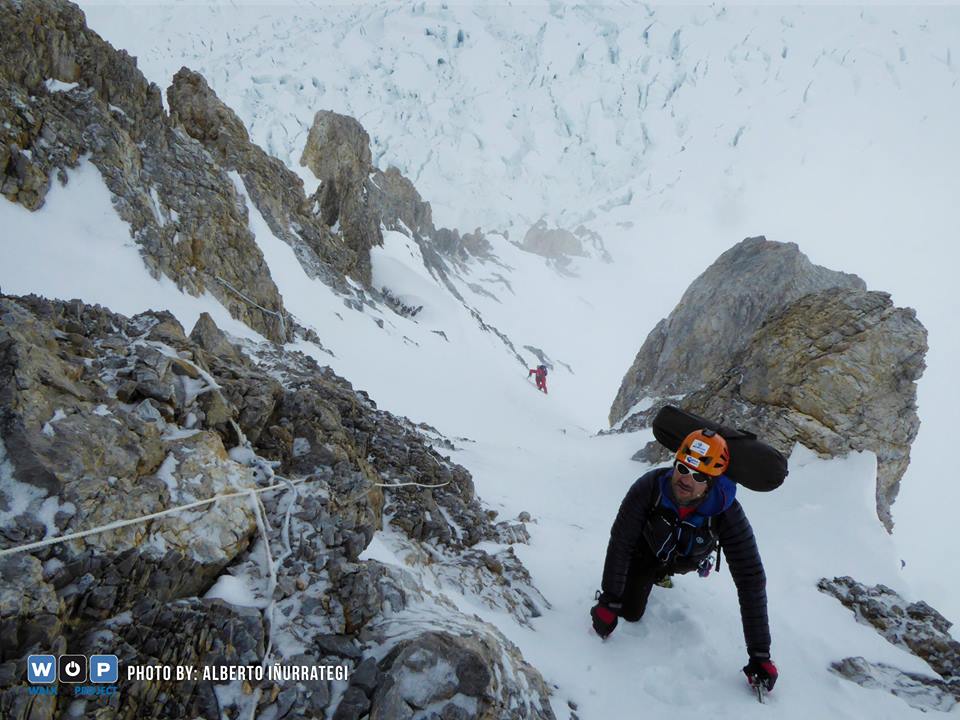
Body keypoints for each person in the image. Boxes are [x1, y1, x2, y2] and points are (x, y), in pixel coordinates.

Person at [590, 428, 779, 692]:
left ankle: (663, 572)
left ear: (712, 481)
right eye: (682, 468)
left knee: (669, 565)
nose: (686, 479)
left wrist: (760, 654)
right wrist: (609, 599)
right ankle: (653, 574)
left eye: (699, 475)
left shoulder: (727, 513)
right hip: (647, 550)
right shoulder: (650, 486)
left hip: (686, 559)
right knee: (629, 612)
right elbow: (622, 540)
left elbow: (751, 578)